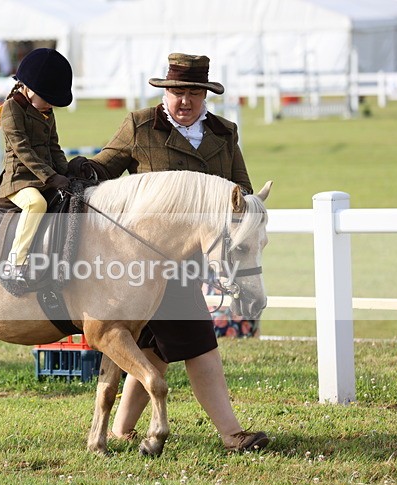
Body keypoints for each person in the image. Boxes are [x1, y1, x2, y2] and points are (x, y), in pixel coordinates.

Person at [70, 53, 268, 452]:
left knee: (153, 349)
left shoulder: (224, 133)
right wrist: (68, 173)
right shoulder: (141, 125)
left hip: (191, 260)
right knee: (195, 342)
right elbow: (106, 168)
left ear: (205, 94)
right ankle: (231, 434)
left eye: (194, 93)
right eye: (178, 92)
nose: (185, 101)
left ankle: (121, 430)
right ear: (166, 92)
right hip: (139, 262)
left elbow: (240, 192)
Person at [0, 48, 73, 281]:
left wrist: (67, 173)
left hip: (45, 175)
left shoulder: (46, 110)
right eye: (48, 98)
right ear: (29, 89)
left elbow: (54, 146)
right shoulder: (11, 109)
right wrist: (52, 177)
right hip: (19, 180)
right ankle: (16, 262)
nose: (51, 105)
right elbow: (22, 149)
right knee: (36, 204)